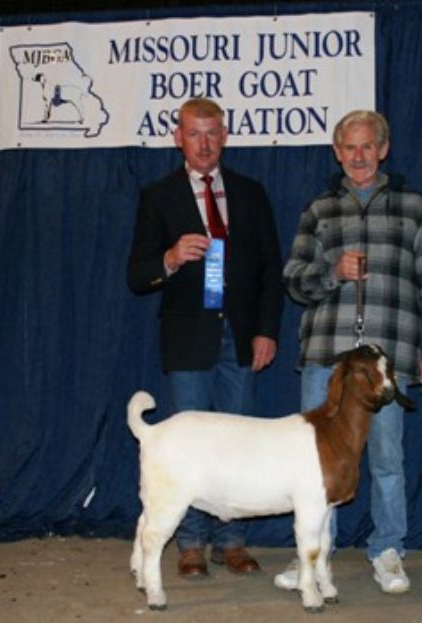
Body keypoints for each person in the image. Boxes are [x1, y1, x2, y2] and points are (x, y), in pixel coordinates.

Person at [277, 110, 422, 594]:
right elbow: (293, 280)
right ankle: (315, 554)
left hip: (387, 360)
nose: (357, 156)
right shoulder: (318, 211)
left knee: (385, 458)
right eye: (348, 148)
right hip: (325, 356)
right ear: (336, 152)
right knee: (315, 462)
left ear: (383, 149)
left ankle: (389, 550)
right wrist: (332, 271)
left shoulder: (416, 207)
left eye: (366, 147)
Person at [127, 98, 284, 578]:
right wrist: (171, 258)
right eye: (194, 133)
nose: (204, 143)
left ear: (225, 136)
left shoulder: (250, 193)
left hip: (239, 338)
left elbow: (269, 271)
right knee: (190, 448)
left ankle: (232, 542)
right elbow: (137, 275)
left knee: (238, 445)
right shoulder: (158, 196)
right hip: (187, 340)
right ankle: (190, 544)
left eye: (213, 133)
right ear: (178, 138)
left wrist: (266, 331)